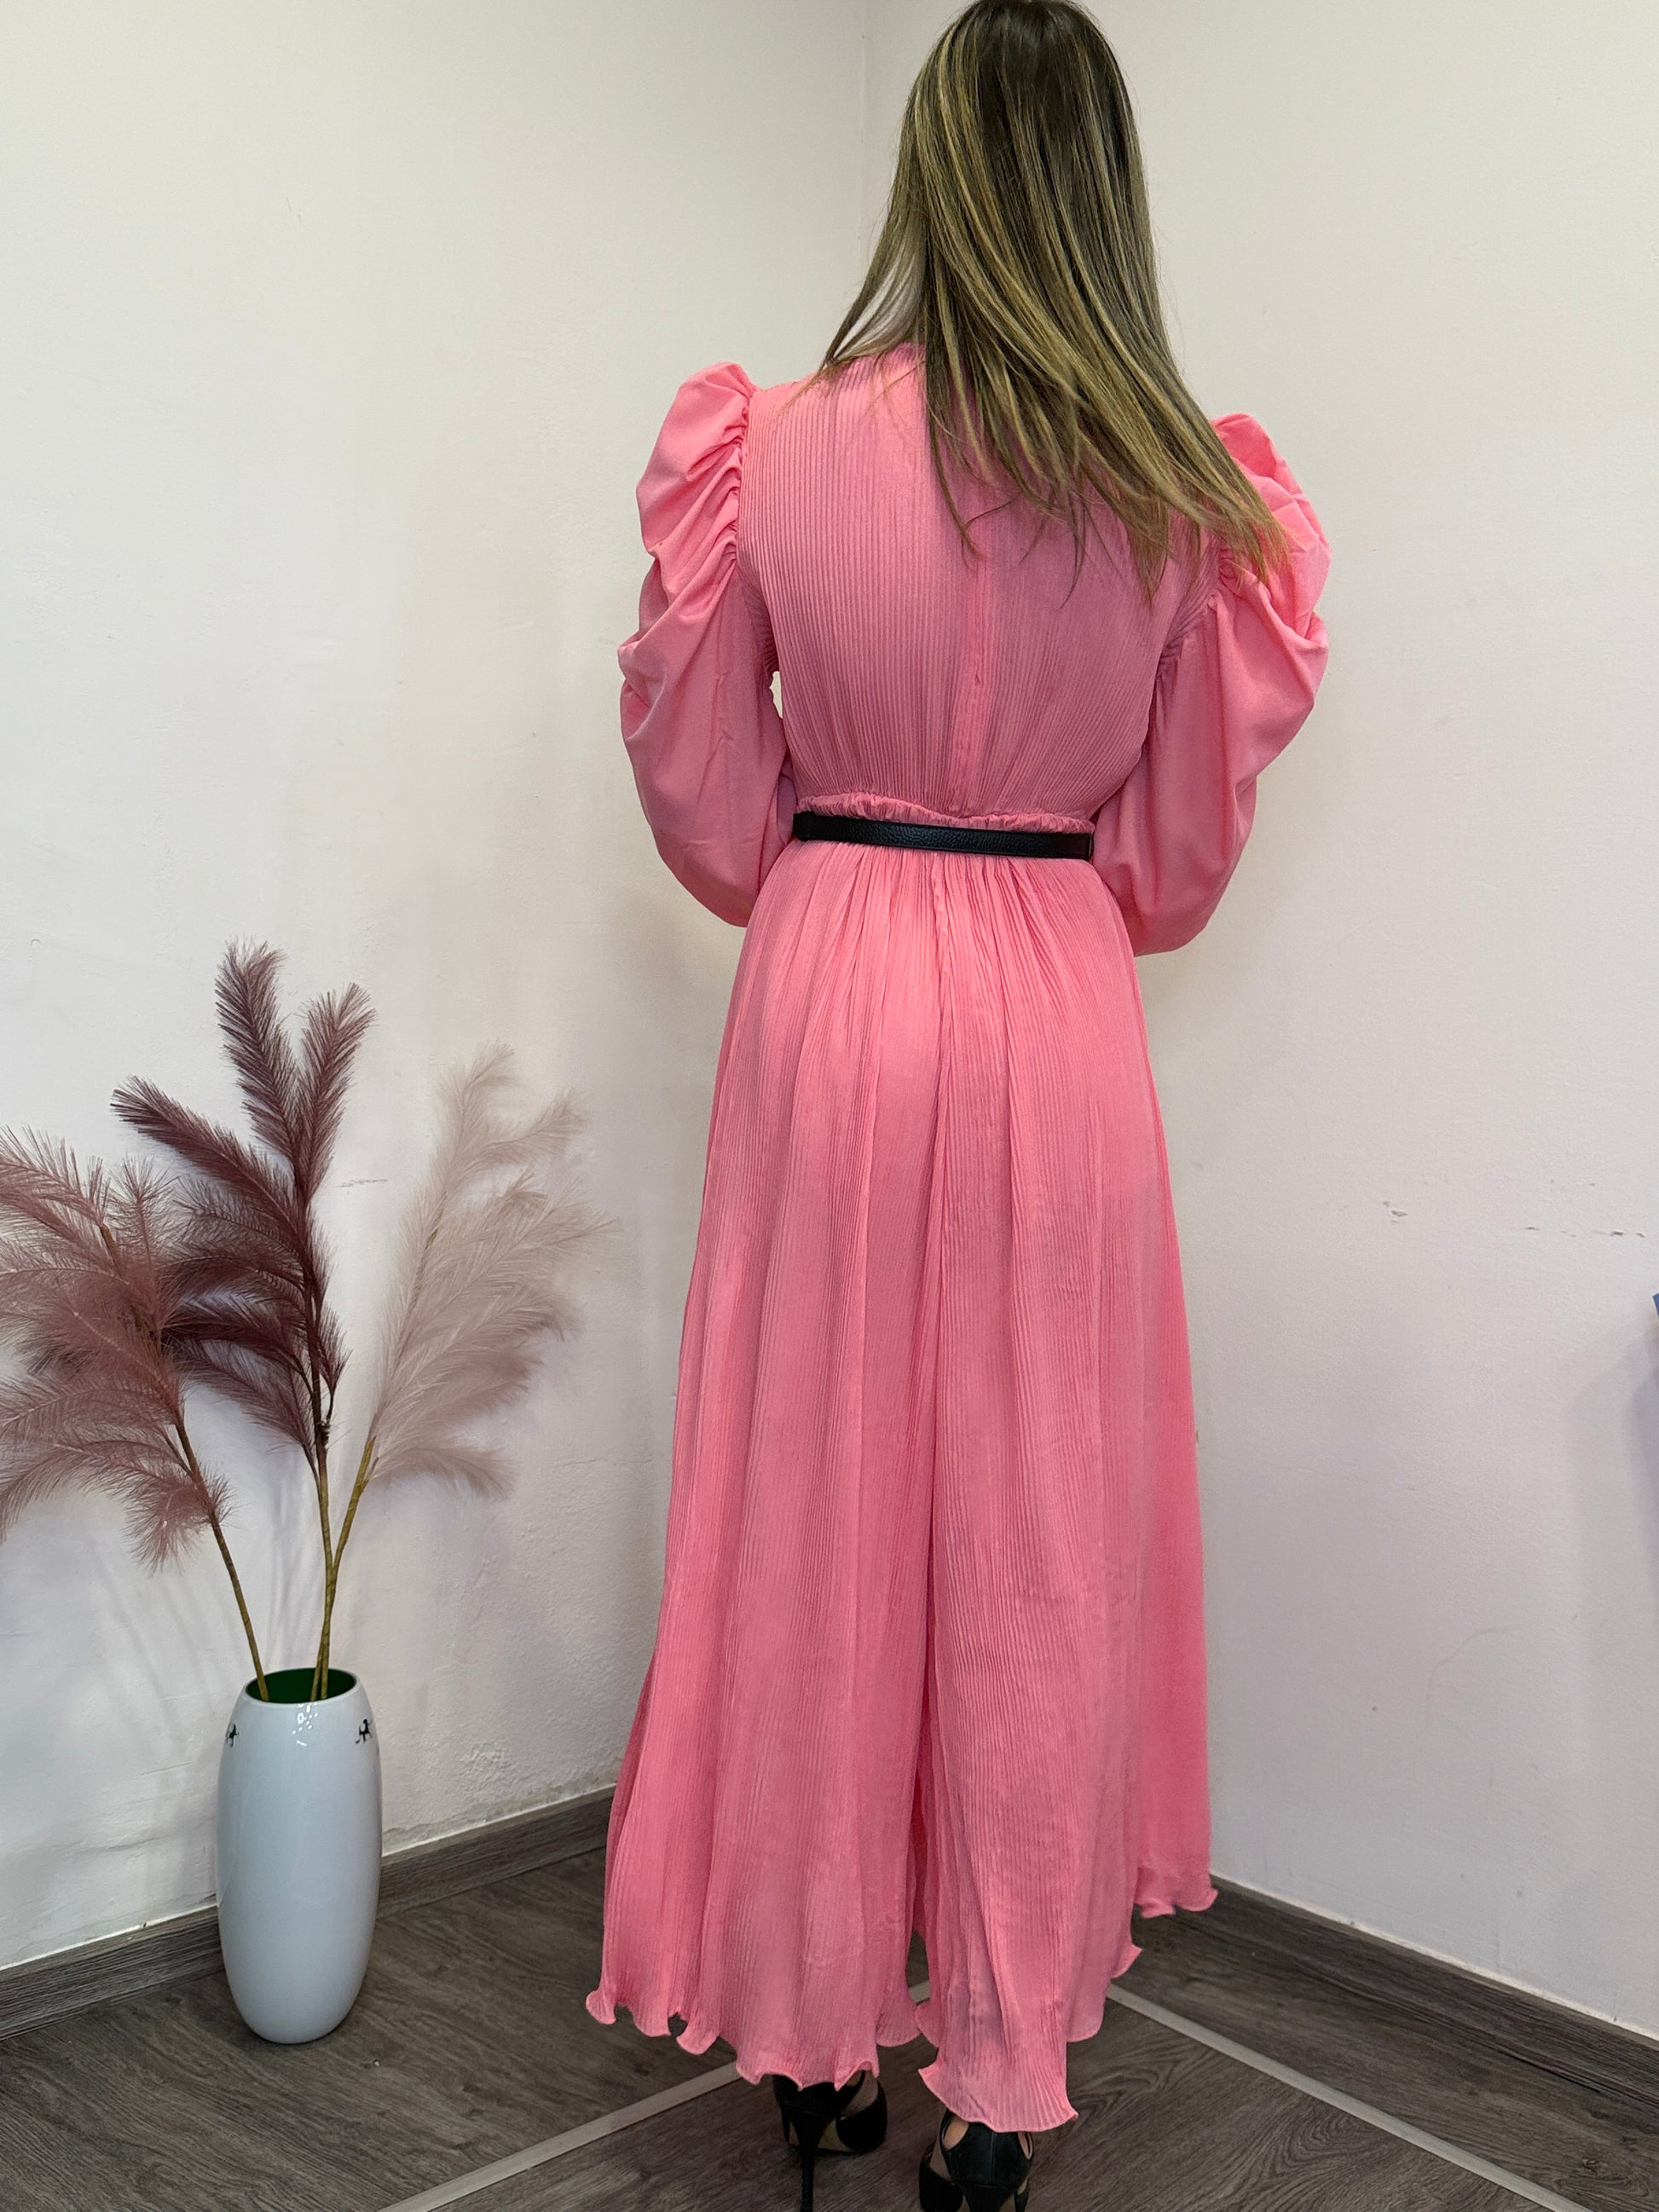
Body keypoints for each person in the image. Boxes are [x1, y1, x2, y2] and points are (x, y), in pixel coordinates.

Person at [586, 3, 1331, 2206]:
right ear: (1104, 186)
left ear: (924, 167)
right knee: (1032, 1530)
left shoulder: (767, 446)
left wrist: (834, 860)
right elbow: (1172, 857)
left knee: (804, 1507)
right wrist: (1040, 876)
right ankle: (1001, 2080)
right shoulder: (1192, 498)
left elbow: (704, 792)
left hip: (830, 976)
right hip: (1050, 994)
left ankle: (807, 2019)